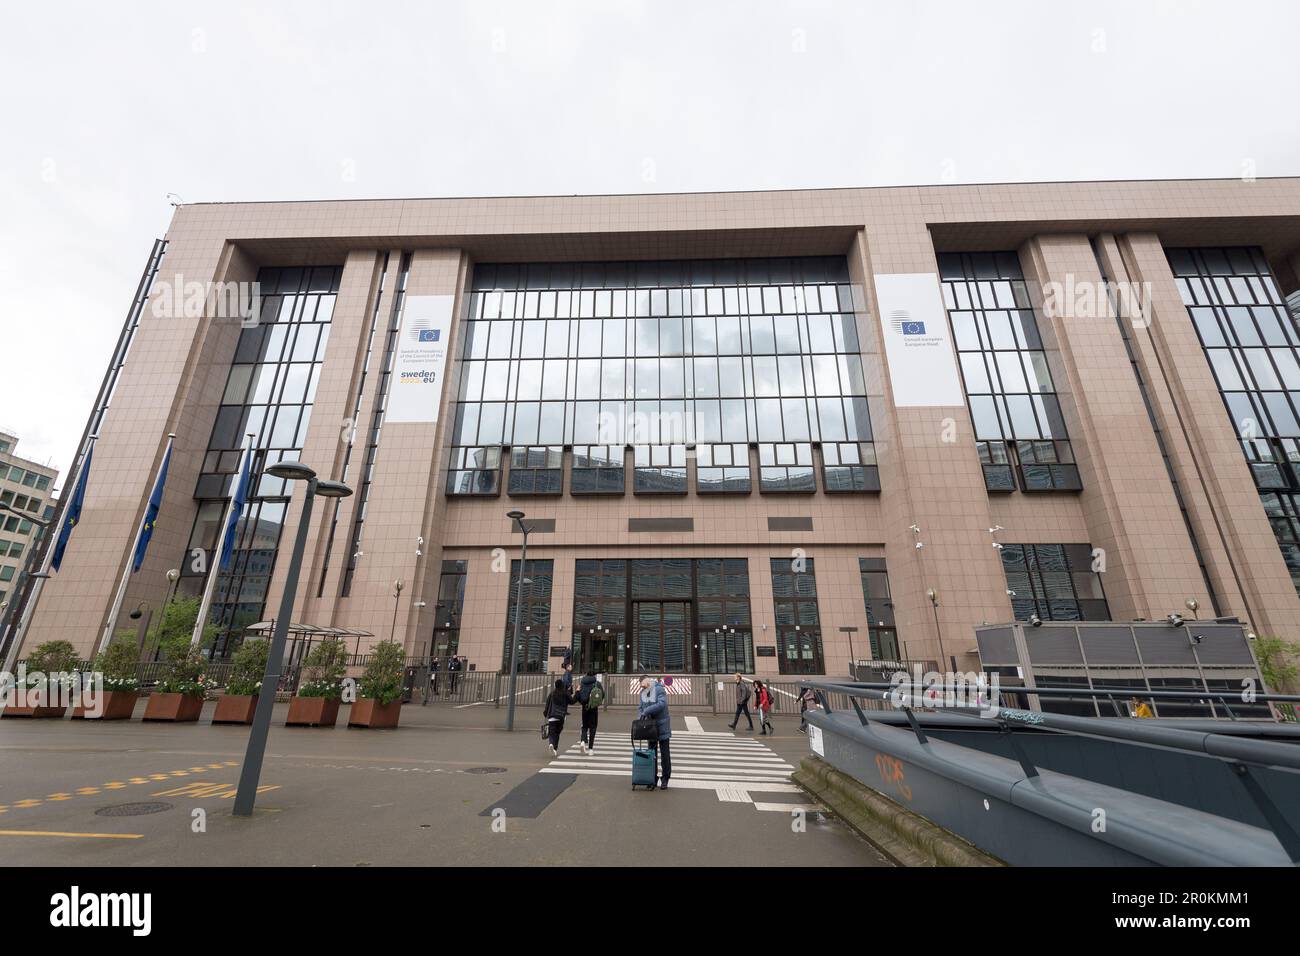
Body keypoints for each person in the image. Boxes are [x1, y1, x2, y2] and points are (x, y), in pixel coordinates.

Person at [638, 674, 671, 789]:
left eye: (643, 686)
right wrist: (641, 718)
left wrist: (646, 711)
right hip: (650, 727)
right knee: (652, 754)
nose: (642, 688)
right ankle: (653, 777)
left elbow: (662, 704)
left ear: (648, 682)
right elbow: (640, 708)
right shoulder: (643, 692)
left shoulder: (659, 689)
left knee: (664, 754)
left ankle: (665, 778)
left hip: (662, 726)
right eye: (641, 687)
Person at [577, 668, 604, 754]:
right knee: (593, 727)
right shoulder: (597, 683)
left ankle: (582, 741)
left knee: (584, 726)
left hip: (584, 707)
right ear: (594, 675)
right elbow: (602, 694)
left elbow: (579, 694)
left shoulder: (582, 683)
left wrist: (582, 702)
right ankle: (591, 749)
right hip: (593, 708)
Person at [544, 679, 574, 756]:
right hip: (561, 716)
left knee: (551, 733)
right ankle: (555, 748)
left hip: (552, 716)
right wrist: (575, 691)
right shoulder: (565, 693)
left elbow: (547, 704)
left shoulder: (552, 693)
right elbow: (572, 701)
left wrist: (545, 713)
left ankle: (551, 743)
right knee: (557, 733)